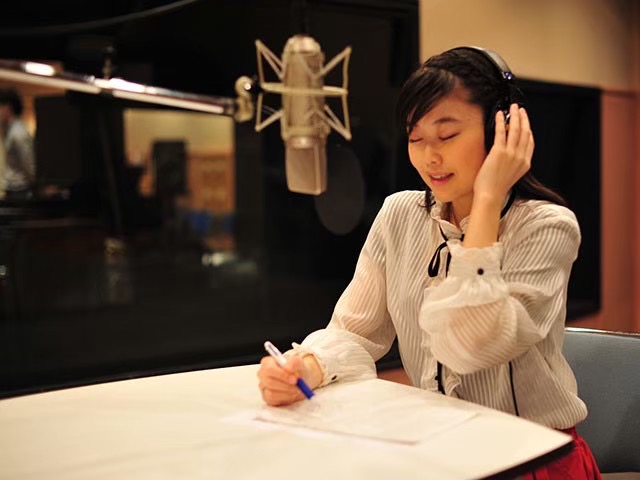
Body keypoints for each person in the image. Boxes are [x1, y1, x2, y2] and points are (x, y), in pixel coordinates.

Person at [256, 47, 601, 479]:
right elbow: (356, 331)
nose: (429, 157)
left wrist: (488, 199)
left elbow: (472, 346)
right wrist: (306, 368)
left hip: (532, 460)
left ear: (501, 131)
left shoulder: (547, 227)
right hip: (443, 452)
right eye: (415, 138)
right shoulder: (399, 214)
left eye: (447, 135)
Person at [0, 89, 35, 201]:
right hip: (13, 189)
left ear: (8, 108)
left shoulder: (18, 132)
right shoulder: (10, 130)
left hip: (19, 191)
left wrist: (34, 185)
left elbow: (28, 164)